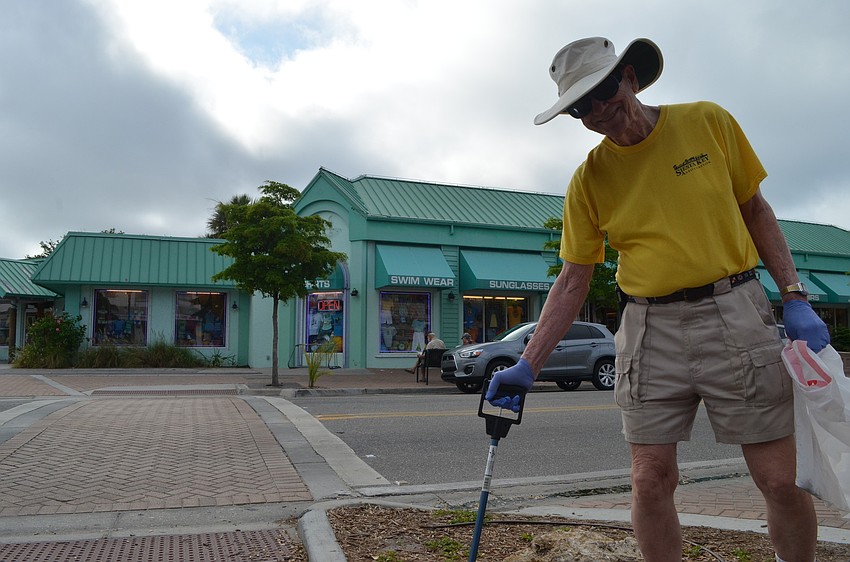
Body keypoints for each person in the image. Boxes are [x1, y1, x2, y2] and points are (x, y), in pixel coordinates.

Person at [485, 37, 830, 562]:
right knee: (649, 480)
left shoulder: (708, 122)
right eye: (580, 106)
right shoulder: (589, 180)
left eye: (601, 91)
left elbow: (756, 210)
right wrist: (528, 363)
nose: (597, 110)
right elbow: (574, 279)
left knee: (780, 480)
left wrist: (794, 295)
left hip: (734, 310)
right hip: (647, 328)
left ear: (629, 76)